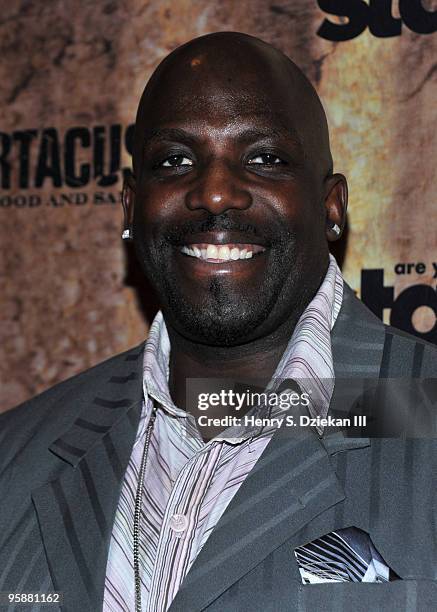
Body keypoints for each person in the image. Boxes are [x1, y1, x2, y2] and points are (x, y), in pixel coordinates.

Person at [1, 32, 437, 612]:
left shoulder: (420, 408)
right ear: (131, 208)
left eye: (264, 159)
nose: (213, 193)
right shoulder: (15, 456)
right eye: (175, 161)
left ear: (331, 206)